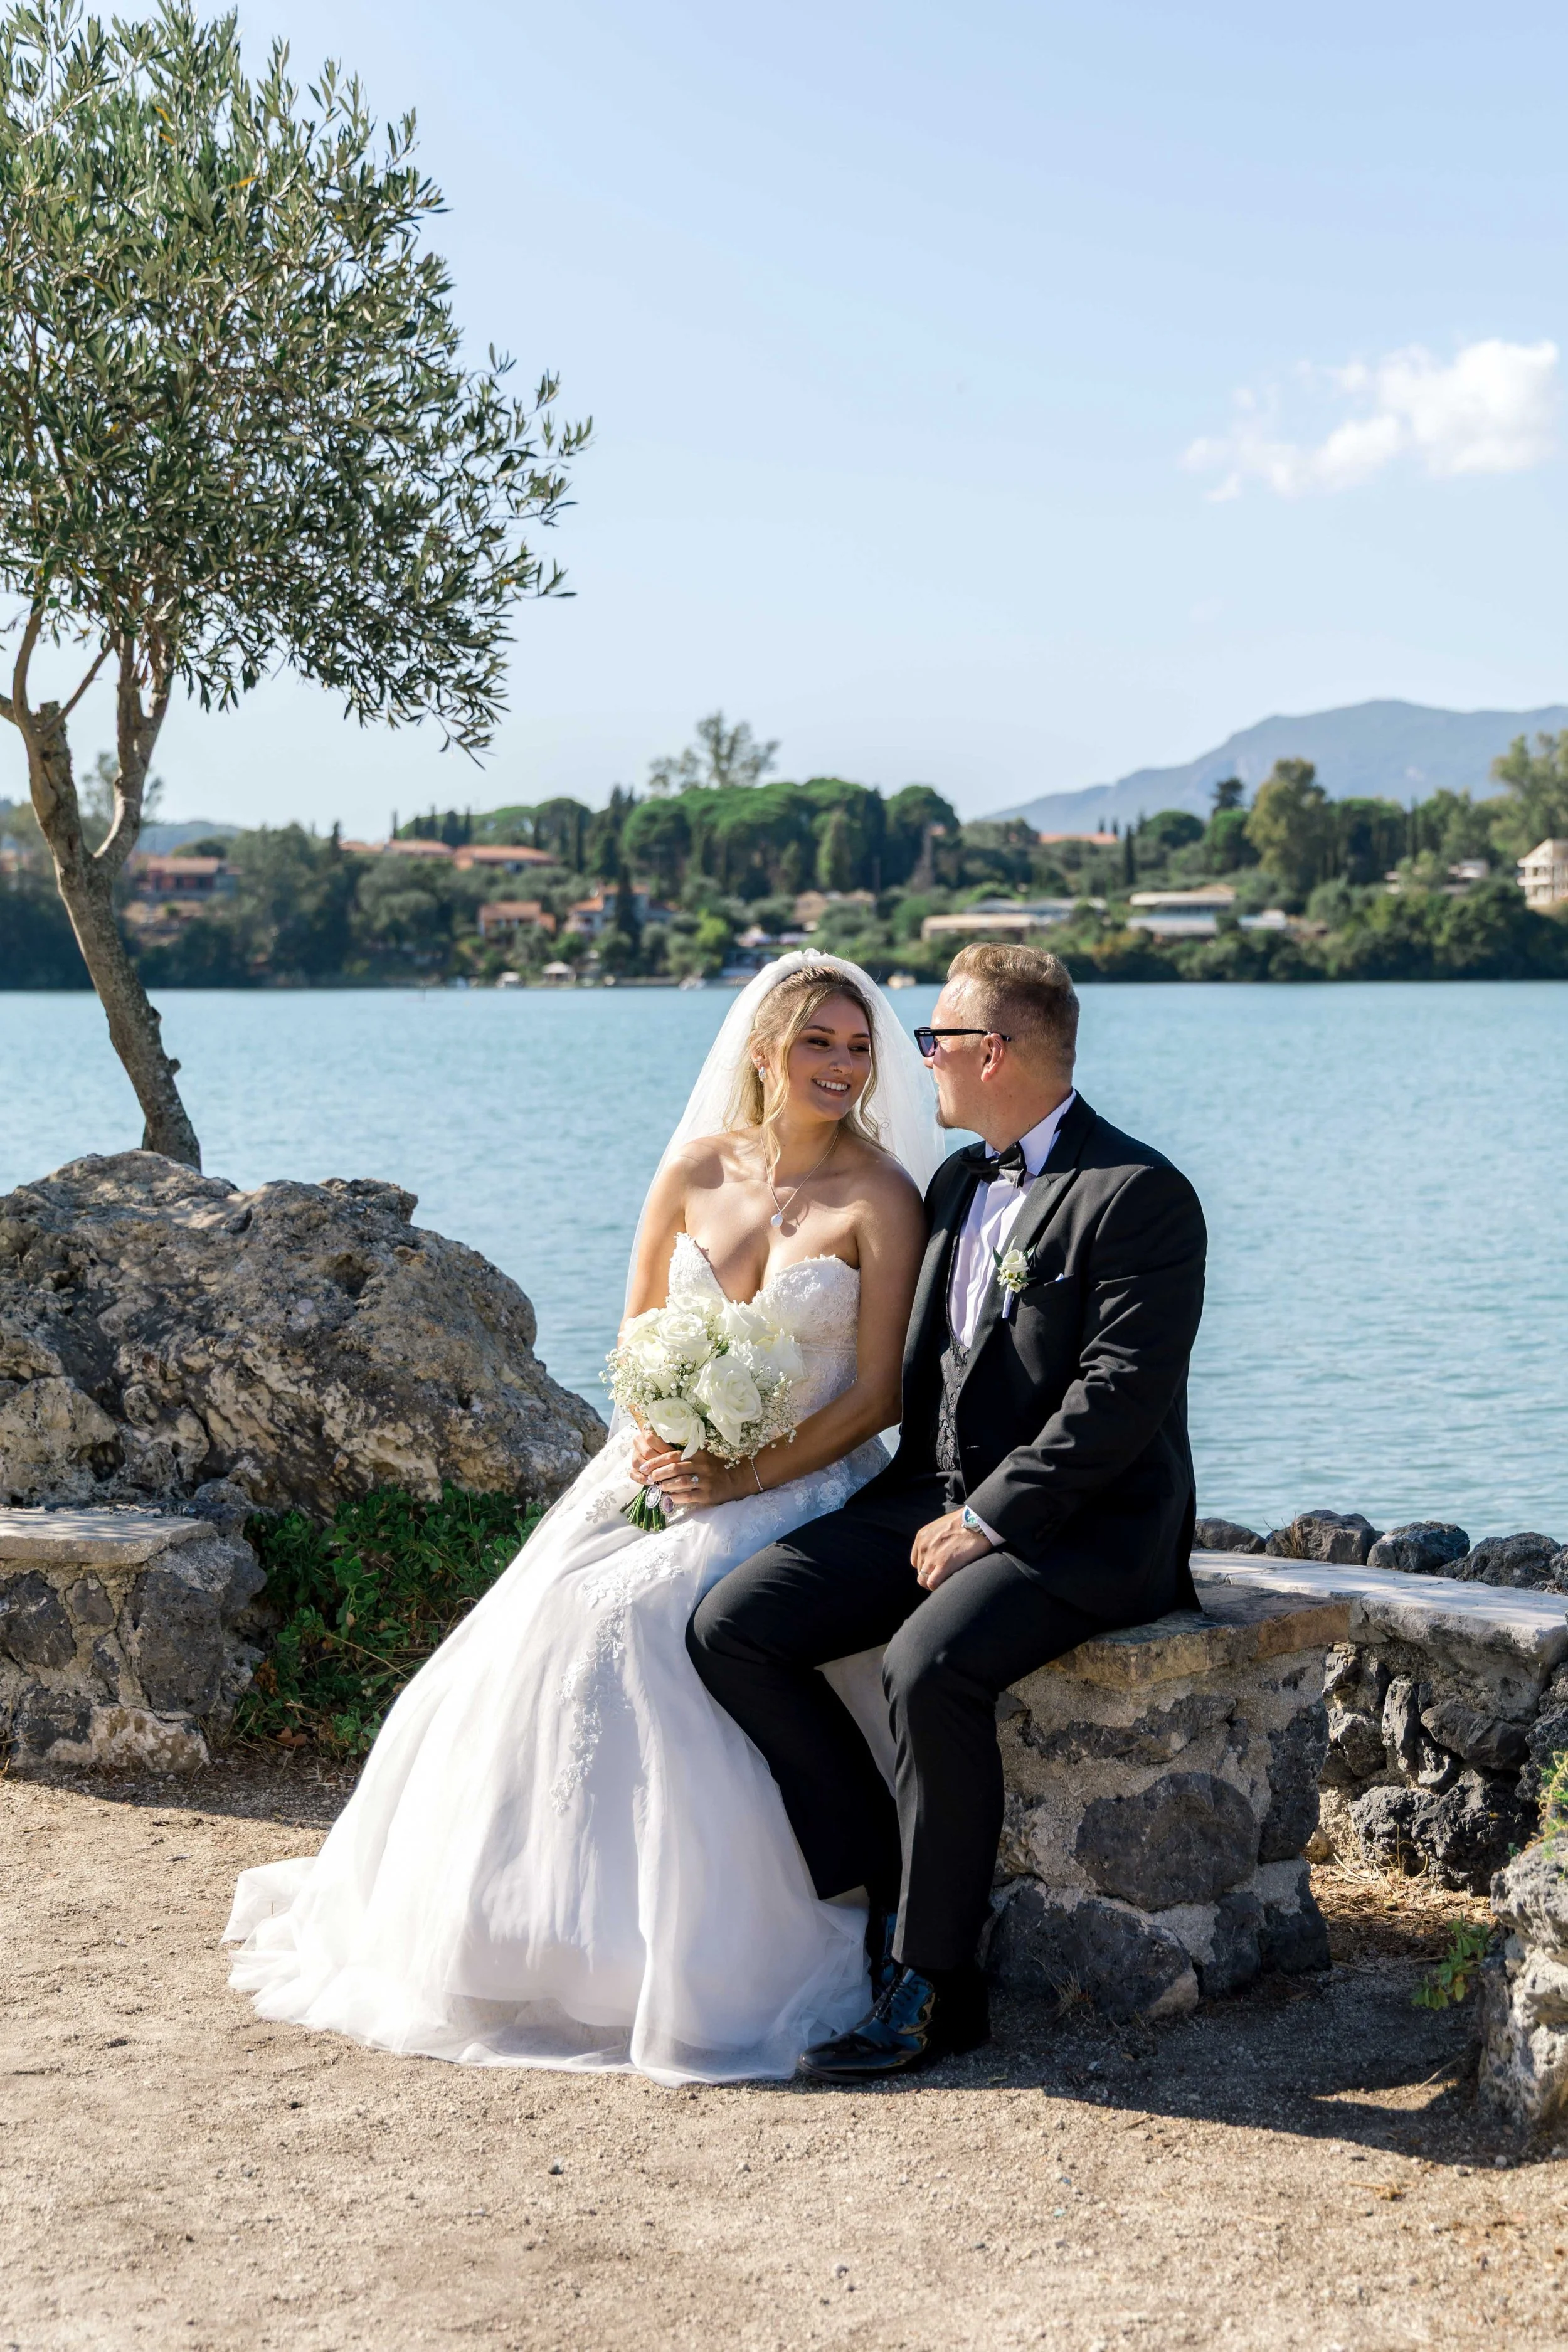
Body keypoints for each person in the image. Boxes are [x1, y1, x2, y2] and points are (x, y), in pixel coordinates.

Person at [223, 956, 940, 2085]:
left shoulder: (882, 1195)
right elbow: (637, 1340)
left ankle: (686, 1952)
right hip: (662, 1463)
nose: (845, 1066)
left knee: (641, 1612)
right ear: (765, 1051)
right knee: (549, 1609)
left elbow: (879, 1394)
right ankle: (529, 1935)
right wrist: (661, 1433)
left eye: (859, 1047)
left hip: (805, 1477)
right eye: (820, 1044)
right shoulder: (695, 1168)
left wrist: (741, 1476)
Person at [687, 942, 1208, 2080]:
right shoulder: (959, 1183)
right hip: (925, 1494)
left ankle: (934, 1984)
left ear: (996, 1052)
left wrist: (990, 1518)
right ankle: (883, 1872)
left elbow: (1116, 1401)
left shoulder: (1141, 1196)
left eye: (935, 1040)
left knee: (929, 1665)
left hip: (1090, 1524)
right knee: (735, 1625)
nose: (918, 1059)